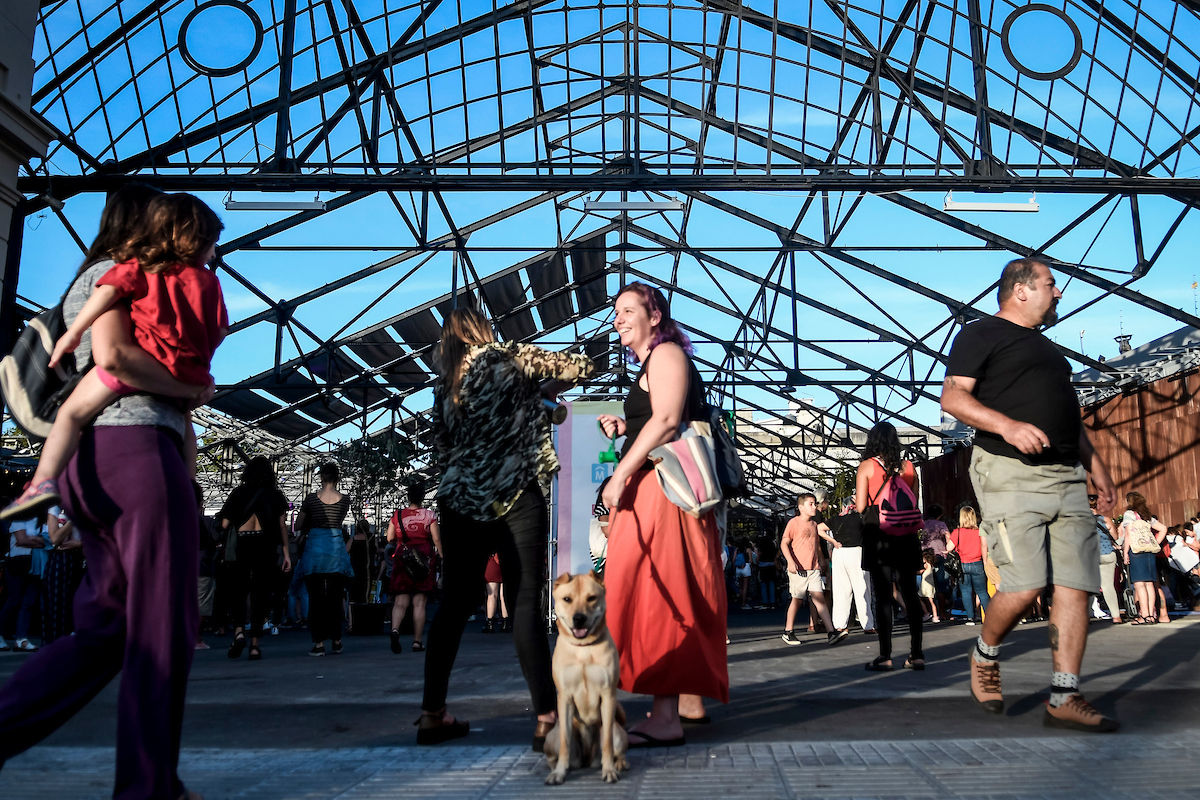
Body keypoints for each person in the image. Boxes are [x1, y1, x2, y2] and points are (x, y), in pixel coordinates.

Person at [0, 184, 220, 800]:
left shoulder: (104, 281)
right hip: (136, 454)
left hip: (94, 462)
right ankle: (149, 788)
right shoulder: (118, 278)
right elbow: (117, 359)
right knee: (162, 629)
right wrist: (191, 388)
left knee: (108, 630)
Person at [941, 256, 1119, 732]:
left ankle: (1064, 695)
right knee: (1025, 585)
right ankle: (985, 653)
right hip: (1010, 472)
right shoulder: (980, 334)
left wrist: (1098, 468)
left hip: (1066, 475)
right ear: (1020, 290)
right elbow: (953, 397)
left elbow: (1068, 417)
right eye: (1050, 284)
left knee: (1077, 584)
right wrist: (1007, 426)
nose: (1059, 293)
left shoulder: (1049, 351)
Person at [420, 306, 593, 747]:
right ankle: (548, 718)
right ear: (483, 328)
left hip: (460, 500)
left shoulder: (444, 384)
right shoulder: (510, 357)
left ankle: (432, 714)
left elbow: (441, 449)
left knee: (453, 607)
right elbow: (580, 366)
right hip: (516, 493)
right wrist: (539, 394)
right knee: (523, 604)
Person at [4, 193, 228, 521]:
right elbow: (220, 330)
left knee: (71, 413)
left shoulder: (136, 270)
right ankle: (188, 487)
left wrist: (74, 333)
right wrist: (194, 373)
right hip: (172, 389)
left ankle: (42, 481)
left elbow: (113, 353)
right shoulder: (209, 281)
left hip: (124, 413)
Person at [598, 282, 728, 747]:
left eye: (628, 310)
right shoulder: (654, 362)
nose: (618, 318)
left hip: (662, 494)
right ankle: (684, 703)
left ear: (655, 316)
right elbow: (660, 418)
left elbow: (669, 420)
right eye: (616, 311)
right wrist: (626, 426)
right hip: (658, 491)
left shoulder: (666, 353)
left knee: (659, 593)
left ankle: (666, 716)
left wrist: (619, 475)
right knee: (666, 590)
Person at [856, 422, 924, 671]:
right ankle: (917, 655)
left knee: (883, 596)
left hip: (879, 536)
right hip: (906, 535)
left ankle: (885, 656)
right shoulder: (909, 467)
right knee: (910, 594)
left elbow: (861, 506)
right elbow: (913, 501)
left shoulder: (867, 466)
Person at [217, 457, 291, 660]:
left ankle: (239, 632)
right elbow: (282, 526)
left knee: (238, 592)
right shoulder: (275, 495)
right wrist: (286, 553)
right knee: (261, 595)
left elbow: (224, 525)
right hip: (266, 547)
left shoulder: (238, 493)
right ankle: (255, 645)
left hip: (241, 545)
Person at [293, 462, 353, 656]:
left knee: (316, 598)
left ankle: (319, 643)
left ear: (320, 478)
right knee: (335, 597)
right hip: (336, 550)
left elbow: (298, 525)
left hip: (315, 551)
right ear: (338, 479)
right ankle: (337, 640)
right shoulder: (345, 500)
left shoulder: (311, 499)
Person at [781, 493, 845, 646]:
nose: (814, 506)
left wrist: (821, 560)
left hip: (813, 569)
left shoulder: (814, 525)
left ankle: (831, 632)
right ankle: (788, 631)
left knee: (819, 599)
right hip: (799, 569)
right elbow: (784, 543)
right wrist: (790, 561)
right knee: (797, 600)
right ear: (801, 507)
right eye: (810, 504)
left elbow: (816, 545)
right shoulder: (793, 523)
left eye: (815, 503)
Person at [388, 483, 440, 652]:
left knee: (400, 602)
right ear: (423, 497)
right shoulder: (430, 515)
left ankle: (395, 630)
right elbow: (436, 538)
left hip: (403, 559)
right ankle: (417, 641)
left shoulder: (397, 515)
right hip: (423, 560)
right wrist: (441, 554)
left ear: (408, 497)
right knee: (419, 603)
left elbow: (389, 538)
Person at [0, 507, 45, 651]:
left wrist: (33, 540)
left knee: (28, 602)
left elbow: (49, 539)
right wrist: (41, 541)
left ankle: (21, 639)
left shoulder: (42, 519)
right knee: (14, 600)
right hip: (18, 563)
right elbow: (21, 540)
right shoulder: (18, 517)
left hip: (36, 563)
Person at [1120, 492, 1167, 626]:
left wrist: (1125, 552)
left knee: (1139, 584)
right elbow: (1163, 528)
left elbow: (1128, 533)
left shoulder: (1129, 514)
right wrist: (1155, 543)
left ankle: (1144, 615)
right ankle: (1151, 615)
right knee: (1149, 584)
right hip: (1149, 552)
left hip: (1136, 550)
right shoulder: (1146, 516)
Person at [41, 505, 83, 645]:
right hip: (62, 560)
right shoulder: (56, 508)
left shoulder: (86, 506)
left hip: (82, 560)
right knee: (57, 610)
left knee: (76, 610)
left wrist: (79, 544)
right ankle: (53, 649)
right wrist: (73, 519)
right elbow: (55, 538)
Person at [948, 505, 988, 625]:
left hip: (963, 564)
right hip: (978, 563)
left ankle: (970, 617)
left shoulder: (957, 532)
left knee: (966, 592)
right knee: (982, 591)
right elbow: (984, 545)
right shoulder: (979, 531)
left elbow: (948, 548)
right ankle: (990, 616)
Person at [1092, 495, 1123, 624]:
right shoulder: (1106, 520)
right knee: (1108, 586)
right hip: (1108, 553)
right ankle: (1116, 616)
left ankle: (1085, 616)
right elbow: (1115, 538)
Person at [481, 553, 508, 633]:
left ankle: (490, 624)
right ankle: (505, 624)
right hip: (505, 561)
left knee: (492, 595)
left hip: (492, 561)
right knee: (503, 595)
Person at [756, 532, 779, 609]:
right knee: (771, 583)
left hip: (762, 566)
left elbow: (758, 558)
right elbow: (775, 557)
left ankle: (765, 602)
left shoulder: (761, 546)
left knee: (763, 584)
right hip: (771, 565)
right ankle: (772, 602)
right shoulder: (773, 545)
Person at [918, 550, 940, 623]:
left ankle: (926, 613)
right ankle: (935, 616)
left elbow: (920, 572)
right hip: (931, 586)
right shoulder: (931, 566)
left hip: (925, 585)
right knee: (932, 601)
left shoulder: (926, 565)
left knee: (919, 598)